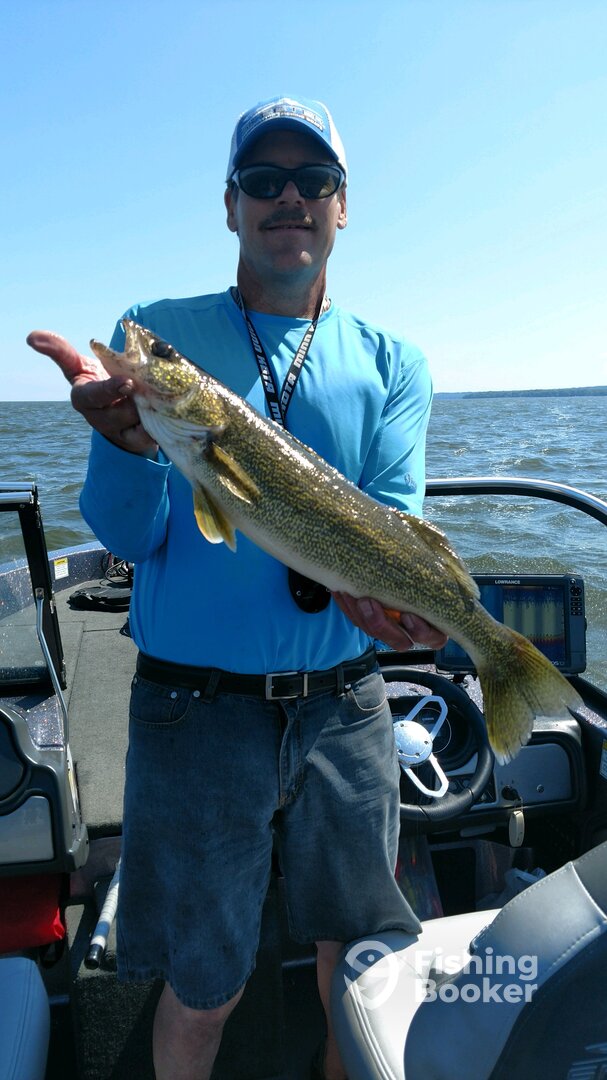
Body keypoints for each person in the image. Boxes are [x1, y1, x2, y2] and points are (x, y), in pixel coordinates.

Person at [28, 96, 446, 1080]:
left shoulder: (394, 362)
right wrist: (124, 445)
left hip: (347, 706)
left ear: (343, 207)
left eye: (314, 181)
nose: (288, 196)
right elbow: (132, 534)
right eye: (264, 181)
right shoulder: (157, 334)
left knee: (362, 970)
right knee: (201, 983)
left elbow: (389, 523)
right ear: (230, 207)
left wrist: (398, 606)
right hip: (192, 712)